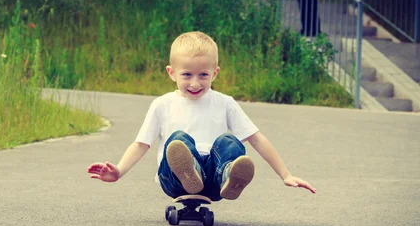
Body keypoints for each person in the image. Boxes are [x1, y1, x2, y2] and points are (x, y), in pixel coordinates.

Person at [87, 31, 316, 202]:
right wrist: (118, 171)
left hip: (214, 184)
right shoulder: (162, 105)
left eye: (203, 75)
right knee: (178, 139)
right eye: (187, 74)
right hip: (174, 180)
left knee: (229, 142)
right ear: (171, 73)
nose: (195, 83)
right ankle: (189, 170)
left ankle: (228, 175)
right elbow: (140, 145)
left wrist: (285, 174)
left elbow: (256, 139)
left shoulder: (224, 103)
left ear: (214, 73)